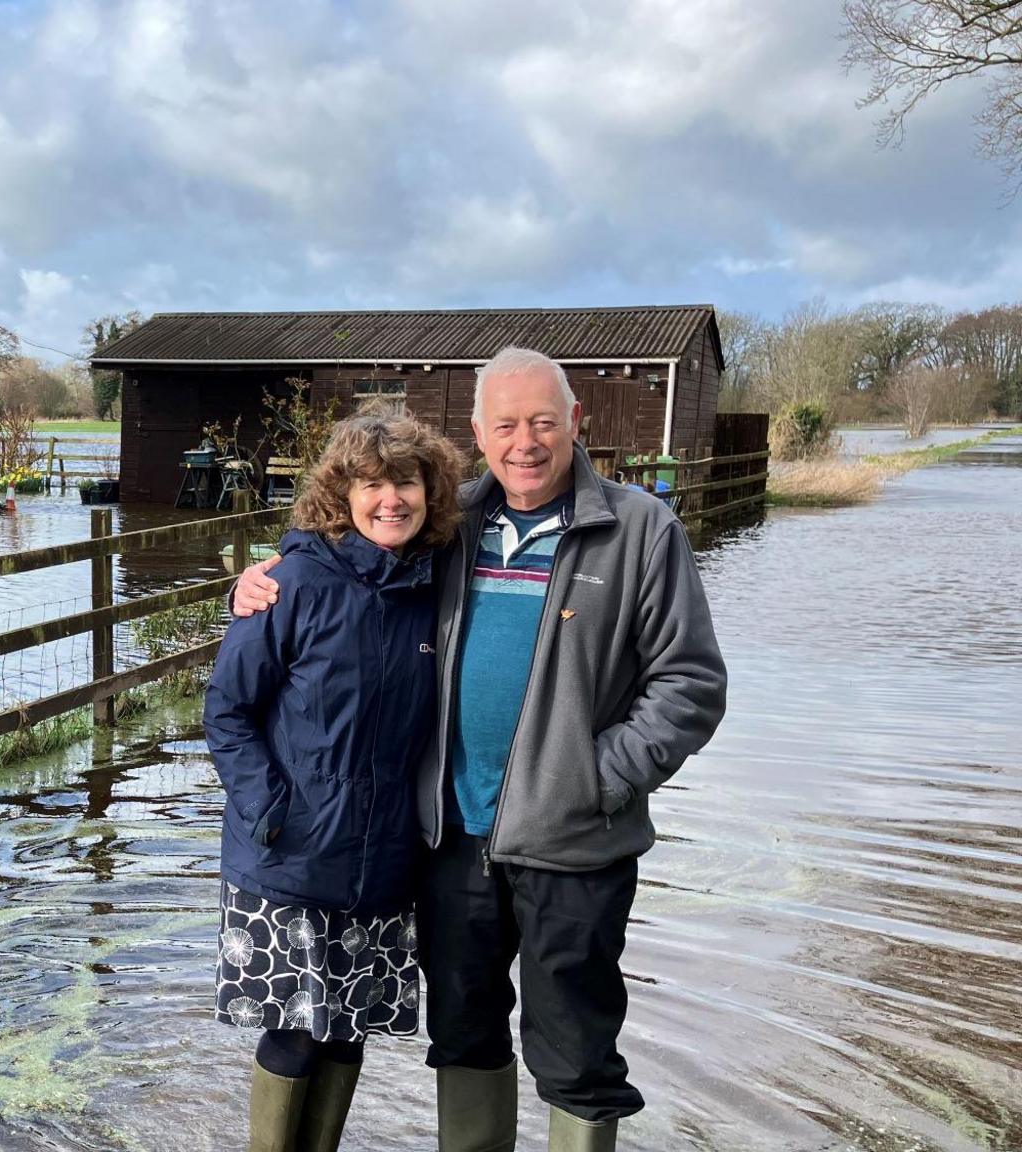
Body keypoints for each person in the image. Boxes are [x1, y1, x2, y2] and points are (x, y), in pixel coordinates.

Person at [232, 347, 727, 1152]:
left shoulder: (640, 530)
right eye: (506, 424)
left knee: (577, 1056)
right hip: (451, 842)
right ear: (477, 433)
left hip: (576, 844)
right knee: (463, 1034)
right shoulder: (445, 522)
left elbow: (691, 685)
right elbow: (339, 562)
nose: (524, 442)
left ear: (575, 422)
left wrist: (598, 779)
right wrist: (256, 583)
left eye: (542, 422)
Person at [206, 410, 465, 1152]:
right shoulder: (291, 585)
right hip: (289, 853)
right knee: (294, 1035)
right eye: (372, 484)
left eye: (406, 482)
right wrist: (269, 807)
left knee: (348, 1031)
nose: (391, 500)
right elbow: (227, 709)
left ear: (431, 490)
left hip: (383, 859)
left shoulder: (436, 581)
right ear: (341, 495)